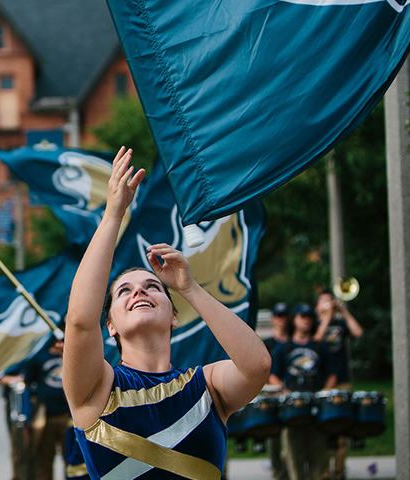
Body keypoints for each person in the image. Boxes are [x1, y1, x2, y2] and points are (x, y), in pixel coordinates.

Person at [64, 146, 271, 479]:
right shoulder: (98, 389)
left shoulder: (207, 386)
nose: (140, 292)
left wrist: (190, 289)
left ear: (174, 316)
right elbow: (78, 322)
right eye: (124, 291)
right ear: (111, 326)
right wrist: (113, 215)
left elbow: (257, 366)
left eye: (153, 286)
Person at [269, 303, 336, 480]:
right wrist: (285, 392)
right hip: (292, 412)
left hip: (317, 410)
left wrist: (323, 394)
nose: (306, 320)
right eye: (302, 317)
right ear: (294, 320)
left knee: (319, 460)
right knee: (294, 459)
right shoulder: (284, 348)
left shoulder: (320, 347)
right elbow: (273, 375)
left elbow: (331, 375)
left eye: (309, 317)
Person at [313, 288, 363, 480]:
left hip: (342, 381)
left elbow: (358, 332)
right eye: (323, 302)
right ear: (317, 307)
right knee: (323, 429)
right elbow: (317, 340)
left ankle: (339, 472)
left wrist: (343, 311)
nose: (328, 305)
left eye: (330, 301)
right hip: (322, 383)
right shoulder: (314, 324)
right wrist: (325, 318)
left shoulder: (341, 324)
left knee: (343, 428)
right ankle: (324, 472)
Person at [27, 338, 70, 480]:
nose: (59, 344)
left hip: (68, 415)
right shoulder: (40, 357)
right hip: (45, 416)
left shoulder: (72, 356)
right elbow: (29, 387)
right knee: (44, 458)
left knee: (70, 459)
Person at [262, 302, 290, 480]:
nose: (282, 320)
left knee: (290, 436)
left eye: (285, 316)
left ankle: (287, 471)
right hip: (273, 393)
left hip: (290, 394)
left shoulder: (293, 342)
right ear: (273, 319)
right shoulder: (267, 343)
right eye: (279, 316)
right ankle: (277, 472)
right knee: (273, 438)